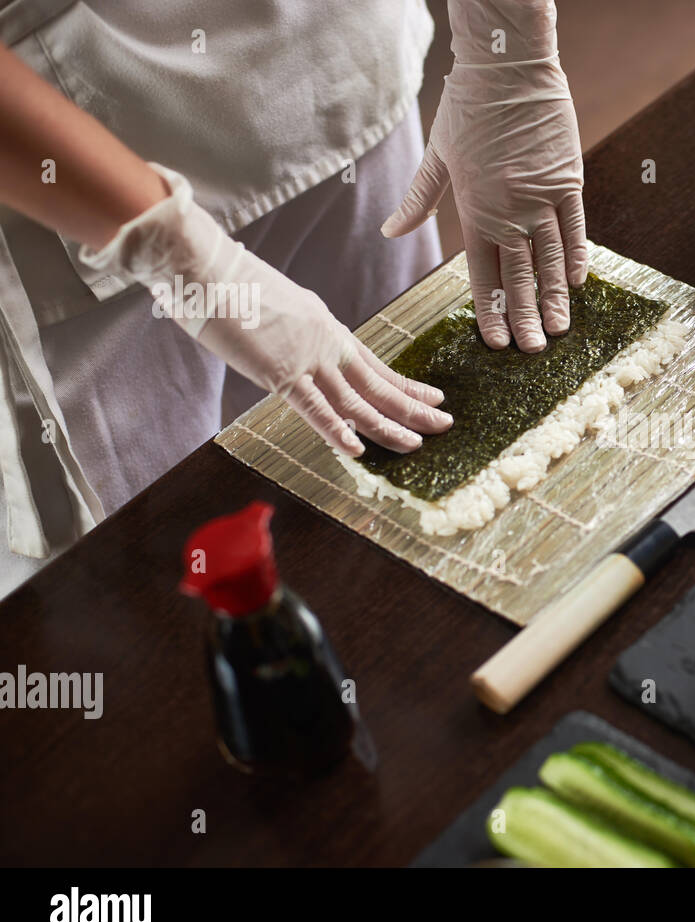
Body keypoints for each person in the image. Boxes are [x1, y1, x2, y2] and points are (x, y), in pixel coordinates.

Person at [0, 0, 586, 598]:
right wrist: (181, 256)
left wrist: (511, 47)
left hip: (342, 70)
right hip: (81, 190)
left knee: (423, 511)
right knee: (183, 589)